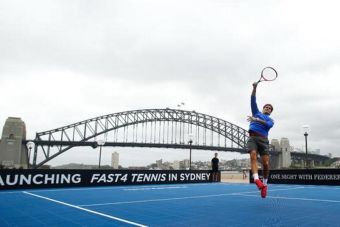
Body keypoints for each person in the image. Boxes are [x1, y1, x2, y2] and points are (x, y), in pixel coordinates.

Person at [247, 82, 274, 198]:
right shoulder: (256, 112)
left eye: (270, 108)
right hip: (252, 137)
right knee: (253, 156)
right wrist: (254, 87)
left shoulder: (271, 120)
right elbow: (253, 99)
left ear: (270, 112)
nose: (267, 109)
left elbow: (267, 124)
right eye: (266, 107)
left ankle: (265, 185)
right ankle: (257, 181)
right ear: (263, 108)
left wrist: (255, 120)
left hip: (263, 140)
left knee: (266, 164)